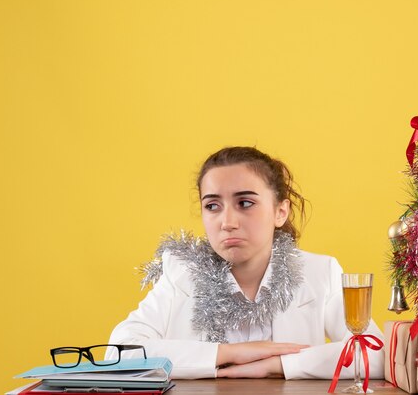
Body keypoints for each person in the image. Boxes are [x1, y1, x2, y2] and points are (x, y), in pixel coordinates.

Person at [106, 146, 384, 379]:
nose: (227, 223)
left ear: (280, 212)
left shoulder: (319, 273)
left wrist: (277, 365)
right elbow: (120, 353)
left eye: (245, 203)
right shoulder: (181, 274)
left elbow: (376, 352)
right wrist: (228, 354)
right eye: (212, 206)